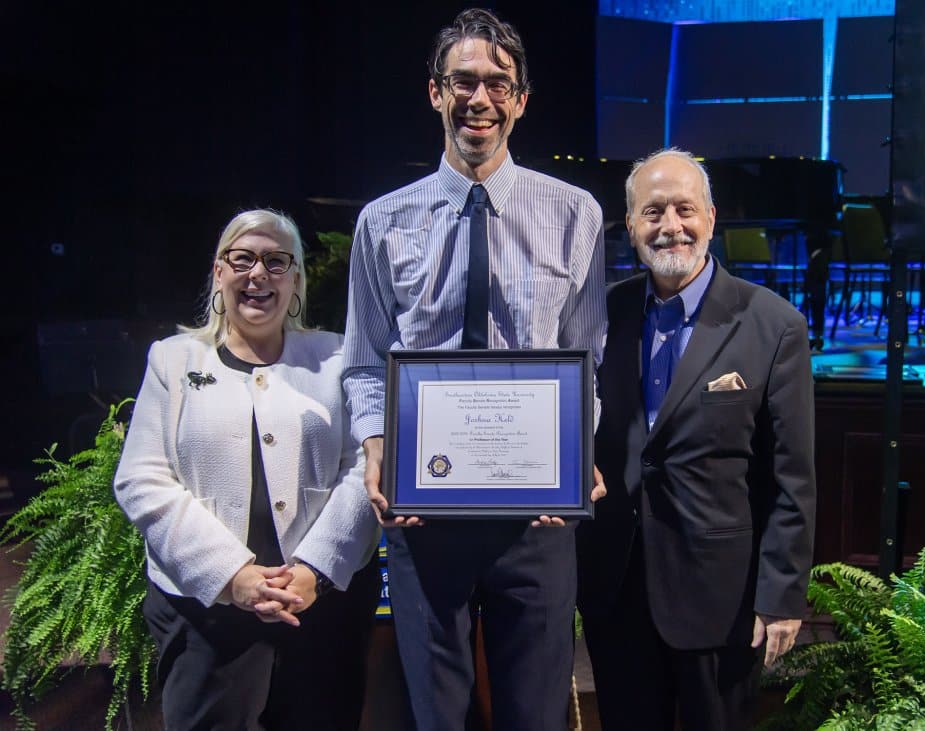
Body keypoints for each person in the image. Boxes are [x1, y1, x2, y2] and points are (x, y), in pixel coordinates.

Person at [340, 8, 606, 730]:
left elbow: (587, 363)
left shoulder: (576, 214)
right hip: (424, 513)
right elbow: (364, 363)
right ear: (436, 92)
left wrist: (575, 448)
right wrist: (377, 448)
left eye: (497, 83)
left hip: (538, 517)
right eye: (463, 81)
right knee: (437, 718)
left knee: (537, 717)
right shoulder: (381, 221)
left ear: (521, 100)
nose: (478, 98)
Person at [576, 149, 816, 730]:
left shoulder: (773, 324)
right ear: (629, 224)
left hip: (722, 599)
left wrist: (782, 594)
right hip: (617, 590)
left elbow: (792, 477)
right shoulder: (601, 316)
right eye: (653, 212)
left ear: (710, 217)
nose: (671, 226)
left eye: (684, 209)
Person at [113, 209, 381, 730]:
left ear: (296, 280)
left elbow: (364, 465)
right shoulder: (172, 360)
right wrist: (231, 575)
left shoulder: (337, 357)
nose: (258, 273)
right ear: (219, 273)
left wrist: (314, 571)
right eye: (243, 259)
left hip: (321, 612)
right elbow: (141, 479)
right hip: (204, 616)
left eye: (276, 262)